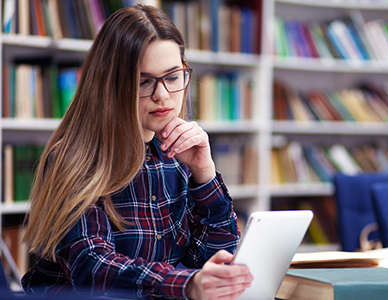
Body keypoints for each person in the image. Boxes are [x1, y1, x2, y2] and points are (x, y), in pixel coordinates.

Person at [21, 5, 253, 299]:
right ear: (111, 85)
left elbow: (211, 258)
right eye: (144, 81)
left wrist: (204, 175)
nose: (162, 95)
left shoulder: (177, 154)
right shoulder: (75, 159)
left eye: (172, 77)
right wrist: (185, 284)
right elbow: (94, 268)